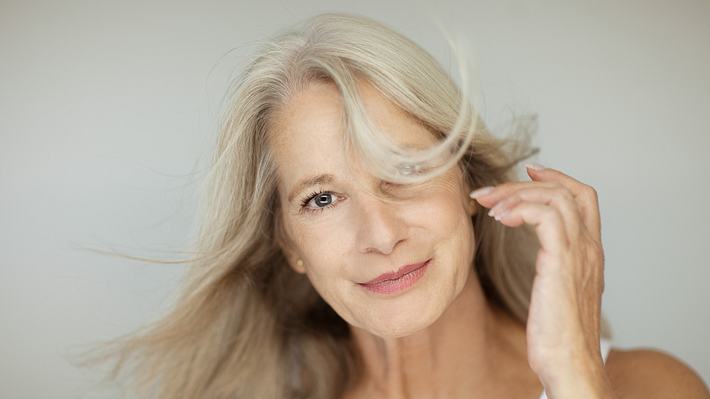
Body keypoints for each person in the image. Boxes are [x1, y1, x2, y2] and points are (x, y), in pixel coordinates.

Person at [83, 11, 709, 399]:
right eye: (322, 198)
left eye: (404, 171)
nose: (378, 234)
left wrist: (573, 383)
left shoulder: (649, 389)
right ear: (289, 246)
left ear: (469, 184)